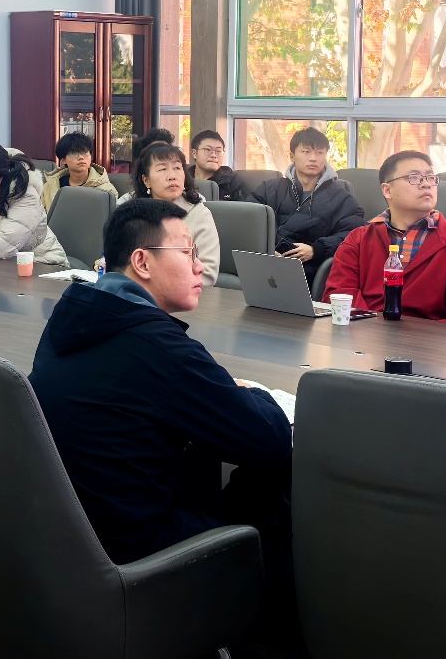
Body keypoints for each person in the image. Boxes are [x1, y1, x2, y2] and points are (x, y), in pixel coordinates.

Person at [28, 198, 292, 580]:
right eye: (187, 253)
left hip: (65, 539)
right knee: (275, 478)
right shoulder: (160, 348)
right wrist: (253, 393)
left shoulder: (73, 314)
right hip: (138, 556)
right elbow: (269, 438)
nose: (200, 267)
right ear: (142, 262)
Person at [323, 150, 446, 324]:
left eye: (431, 178)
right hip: (364, 337)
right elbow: (338, 296)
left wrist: (421, 338)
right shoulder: (358, 241)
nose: (426, 184)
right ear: (387, 190)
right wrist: (373, 331)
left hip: (430, 340)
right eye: (414, 178)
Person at [250, 127, 365, 283]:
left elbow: (353, 234)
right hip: (266, 264)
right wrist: (268, 248)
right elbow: (248, 222)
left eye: (319, 153)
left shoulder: (341, 197)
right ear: (292, 156)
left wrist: (316, 249)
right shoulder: (270, 189)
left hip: (313, 270)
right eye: (306, 152)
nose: (313, 158)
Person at [117, 142, 221, 286]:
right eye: (162, 169)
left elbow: (207, 274)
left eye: (177, 168)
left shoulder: (200, 214)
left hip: (182, 295)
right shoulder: (132, 211)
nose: (172, 176)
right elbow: (118, 261)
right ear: (146, 180)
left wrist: (154, 285)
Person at [40, 131, 119, 211]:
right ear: (63, 160)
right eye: (74, 153)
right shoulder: (49, 187)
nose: (81, 157)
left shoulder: (106, 190)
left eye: (85, 152)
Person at [189, 129, 250, 202]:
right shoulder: (183, 179)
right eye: (208, 150)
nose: (214, 155)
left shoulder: (231, 182)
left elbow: (246, 207)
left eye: (218, 151)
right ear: (194, 153)